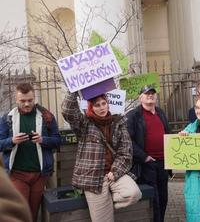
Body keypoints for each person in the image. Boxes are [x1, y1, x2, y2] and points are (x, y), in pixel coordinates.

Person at [62, 91, 142, 222]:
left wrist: (115, 171)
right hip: (93, 178)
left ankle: (108, 203)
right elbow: (68, 112)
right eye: (97, 105)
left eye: (104, 103)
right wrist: (73, 91)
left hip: (114, 174)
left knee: (134, 194)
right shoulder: (84, 124)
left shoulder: (118, 123)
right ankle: (104, 207)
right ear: (91, 107)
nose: (102, 107)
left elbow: (125, 151)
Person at [0, 82, 61, 222]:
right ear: (16, 99)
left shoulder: (47, 116)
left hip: (40, 174)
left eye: (30, 100)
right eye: (22, 101)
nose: (27, 104)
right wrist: (12, 141)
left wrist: (42, 140)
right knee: (22, 213)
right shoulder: (7, 118)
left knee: (33, 213)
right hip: (17, 173)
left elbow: (57, 141)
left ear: (35, 98)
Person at [126, 85, 170, 222]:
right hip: (147, 164)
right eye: (146, 94)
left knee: (163, 197)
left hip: (163, 163)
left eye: (152, 93)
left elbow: (167, 134)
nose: (150, 96)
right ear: (140, 98)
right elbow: (128, 141)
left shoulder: (161, 113)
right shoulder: (133, 116)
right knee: (153, 199)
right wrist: (144, 157)